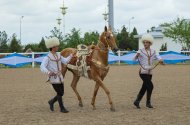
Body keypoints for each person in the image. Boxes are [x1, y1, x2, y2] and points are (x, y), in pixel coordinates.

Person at [40, 37, 73, 113]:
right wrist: (48, 72)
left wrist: (71, 56)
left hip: (60, 77)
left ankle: (51, 102)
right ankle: (62, 108)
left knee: (61, 93)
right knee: (60, 93)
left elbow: (65, 61)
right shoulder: (47, 57)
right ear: (52, 47)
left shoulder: (59, 55)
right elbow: (42, 66)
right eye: (56, 46)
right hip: (53, 78)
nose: (58, 47)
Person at [133, 34, 164, 109]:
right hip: (143, 72)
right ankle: (148, 103)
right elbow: (133, 59)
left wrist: (160, 60)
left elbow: (158, 57)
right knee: (150, 86)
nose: (145, 44)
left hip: (150, 72)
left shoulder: (154, 51)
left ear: (150, 43)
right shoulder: (140, 51)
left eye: (147, 42)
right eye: (144, 42)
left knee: (145, 87)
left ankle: (137, 101)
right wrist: (136, 56)